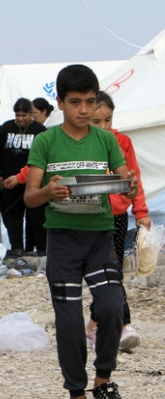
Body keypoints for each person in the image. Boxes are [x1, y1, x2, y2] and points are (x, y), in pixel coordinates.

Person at [25, 64, 137, 399]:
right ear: (60, 102)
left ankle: (103, 380)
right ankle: (76, 396)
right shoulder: (46, 142)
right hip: (62, 240)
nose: (84, 110)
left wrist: (129, 186)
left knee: (110, 306)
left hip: (100, 235)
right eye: (75, 102)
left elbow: (122, 181)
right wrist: (49, 192)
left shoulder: (106, 141)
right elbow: (30, 197)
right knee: (70, 321)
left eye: (90, 102)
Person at [84, 90, 151, 352]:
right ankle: (116, 325)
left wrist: (141, 211)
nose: (103, 127)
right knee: (104, 272)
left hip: (117, 217)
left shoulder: (122, 142)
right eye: (96, 122)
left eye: (107, 120)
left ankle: (104, 327)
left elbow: (135, 177)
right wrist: (20, 179)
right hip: (90, 217)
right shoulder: (78, 144)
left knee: (111, 271)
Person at [0, 98, 48, 258]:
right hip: (10, 183)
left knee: (37, 218)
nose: (20, 118)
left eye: (24, 115)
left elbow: (46, 157)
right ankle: (17, 248)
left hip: (34, 184)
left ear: (31, 114)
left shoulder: (40, 130)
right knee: (13, 218)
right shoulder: (6, 128)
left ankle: (41, 249)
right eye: (18, 115)